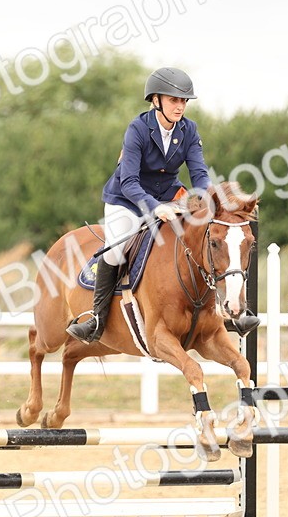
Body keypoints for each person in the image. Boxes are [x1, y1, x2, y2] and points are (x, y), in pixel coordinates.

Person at [66, 66, 212, 343]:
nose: (180, 106)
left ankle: (227, 311)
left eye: (183, 101)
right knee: (117, 249)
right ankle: (96, 318)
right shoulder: (138, 129)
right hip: (127, 199)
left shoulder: (189, 130)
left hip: (169, 195)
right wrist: (155, 207)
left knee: (209, 235)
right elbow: (129, 181)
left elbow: (199, 172)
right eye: (173, 100)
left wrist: (205, 198)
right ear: (156, 100)